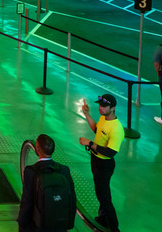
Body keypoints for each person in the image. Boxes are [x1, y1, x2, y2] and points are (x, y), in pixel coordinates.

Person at [79, 94, 124, 232]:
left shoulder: (117, 129)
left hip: (104, 165)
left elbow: (110, 152)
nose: (101, 108)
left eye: (104, 106)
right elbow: (97, 130)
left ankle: (114, 228)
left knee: (103, 197)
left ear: (113, 108)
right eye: (100, 105)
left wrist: (90, 143)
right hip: (96, 160)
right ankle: (104, 219)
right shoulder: (104, 118)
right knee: (102, 192)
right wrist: (86, 114)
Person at [17, 134, 76, 232]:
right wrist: (68, 223)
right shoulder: (64, 170)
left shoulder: (31, 172)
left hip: (38, 225)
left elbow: (27, 201)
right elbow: (72, 198)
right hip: (59, 224)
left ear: (37, 149)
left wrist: (22, 223)